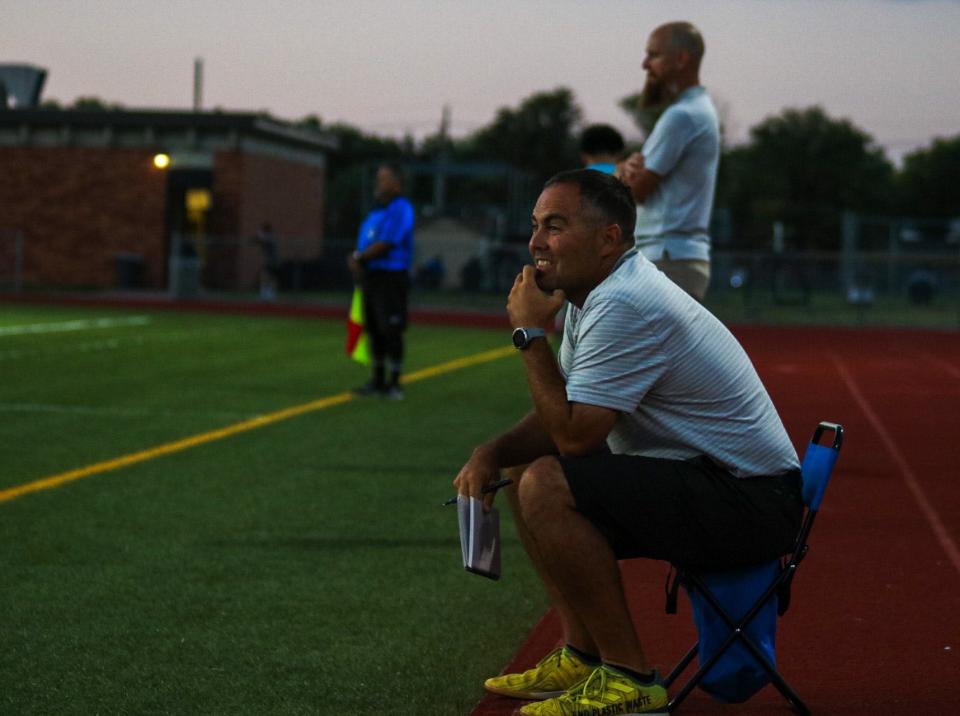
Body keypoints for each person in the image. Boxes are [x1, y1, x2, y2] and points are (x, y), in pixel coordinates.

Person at [454, 170, 801, 716]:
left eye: (556, 226)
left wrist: (528, 336)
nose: (536, 242)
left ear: (608, 238)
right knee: (525, 471)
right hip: (723, 484)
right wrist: (492, 453)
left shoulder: (624, 303)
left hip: (751, 501)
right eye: (536, 225)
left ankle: (630, 678)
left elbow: (575, 438)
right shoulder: (593, 295)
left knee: (547, 479)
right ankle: (582, 656)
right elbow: (565, 410)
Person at [619, 21, 720, 302]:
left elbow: (636, 191)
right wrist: (626, 170)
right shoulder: (695, 110)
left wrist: (619, 173)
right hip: (675, 257)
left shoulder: (682, 116)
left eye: (654, 55)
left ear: (681, 59)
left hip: (667, 258)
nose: (645, 64)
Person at [347, 162, 415, 400]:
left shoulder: (401, 208)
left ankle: (394, 384)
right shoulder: (376, 213)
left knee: (391, 329)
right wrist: (358, 262)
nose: (379, 183)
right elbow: (366, 244)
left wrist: (359, 257)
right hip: (372, 277)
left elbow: (387, 243)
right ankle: (377, 380)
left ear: (397, 183)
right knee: (374, 329)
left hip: (391, 277)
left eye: (384, 178)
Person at [254, 222, 279, 301]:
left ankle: (267, 293)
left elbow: (261, 239)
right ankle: (269, 293)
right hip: (272, 260)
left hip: (272, 261)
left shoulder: (269, 237)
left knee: (266, 276)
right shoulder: (269, 237)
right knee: (269, 276)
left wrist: (259, 234)